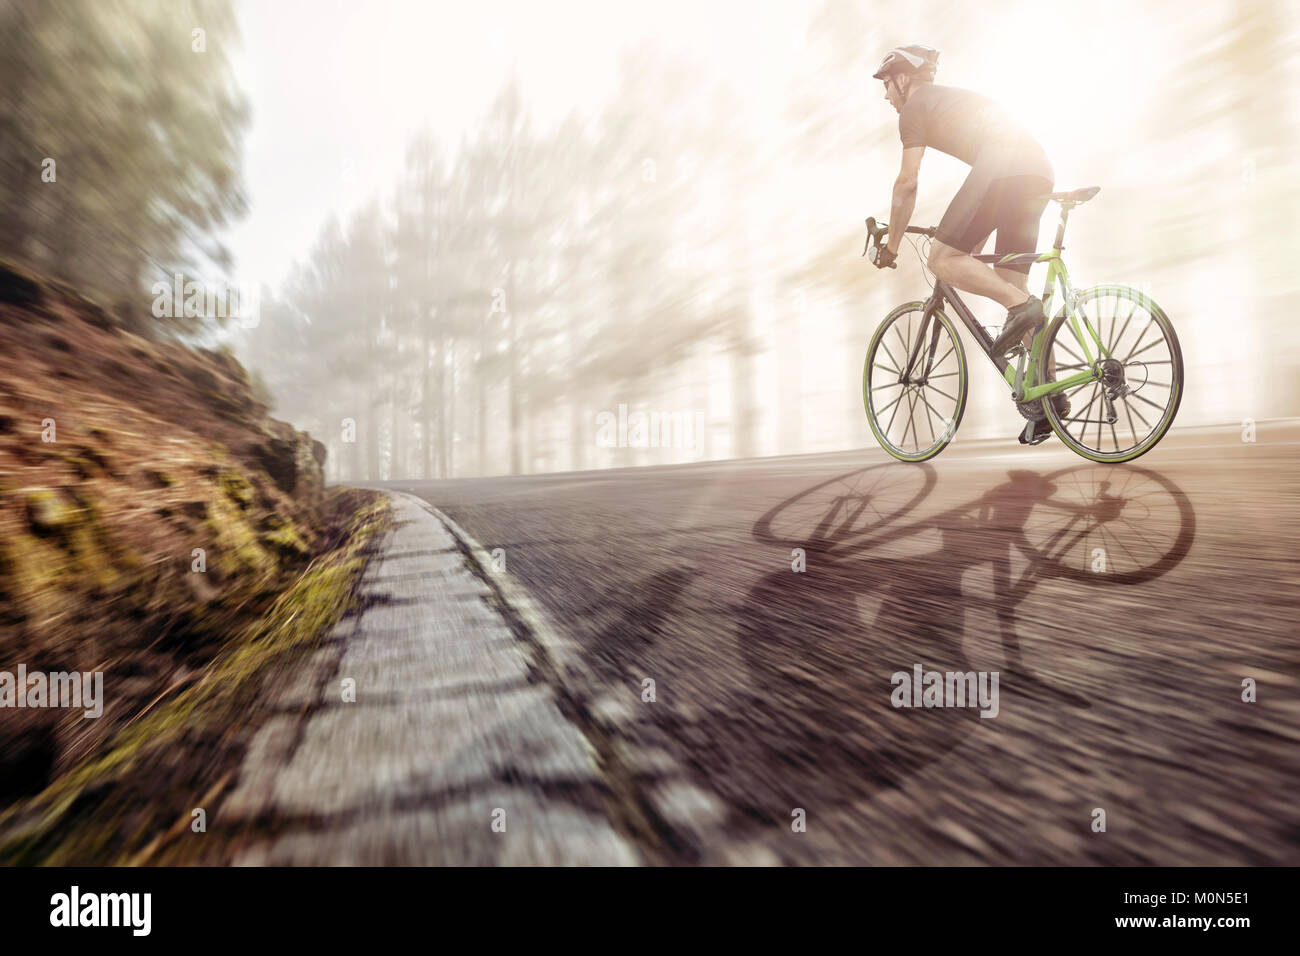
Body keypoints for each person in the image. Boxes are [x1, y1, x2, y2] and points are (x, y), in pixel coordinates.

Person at [870, 44, 1068, 441]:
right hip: (1037, 171)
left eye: (887, 85)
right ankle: (1051, 399)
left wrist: (891, 246)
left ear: (903, 79)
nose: (886, 95)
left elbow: (906, 183)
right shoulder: (949, 100)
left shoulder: (915, 108)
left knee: (942, 259)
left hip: (1004, 168)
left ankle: (1023, 308)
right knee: (1008, 281)